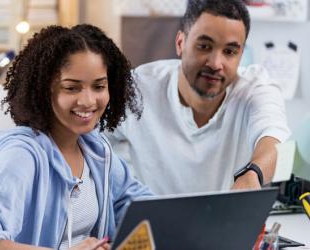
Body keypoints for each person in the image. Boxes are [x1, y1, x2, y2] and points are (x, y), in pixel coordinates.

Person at [0, 24, 151, 250]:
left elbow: (138, 204)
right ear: (45, 89)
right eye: (72, 88)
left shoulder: (95, 148)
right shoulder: (22, 153)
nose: (88, 101)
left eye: (99, 86)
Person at [106, 0, 290, 195]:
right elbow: (89, 142)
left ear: (241, 55)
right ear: (180, 43)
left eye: (229, 52)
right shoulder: (138, 88)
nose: (215, 63)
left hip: (229, 222)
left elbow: (280, 145)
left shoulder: (256, 89)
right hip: (151, 223)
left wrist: (253, 175)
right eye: (204, 46)